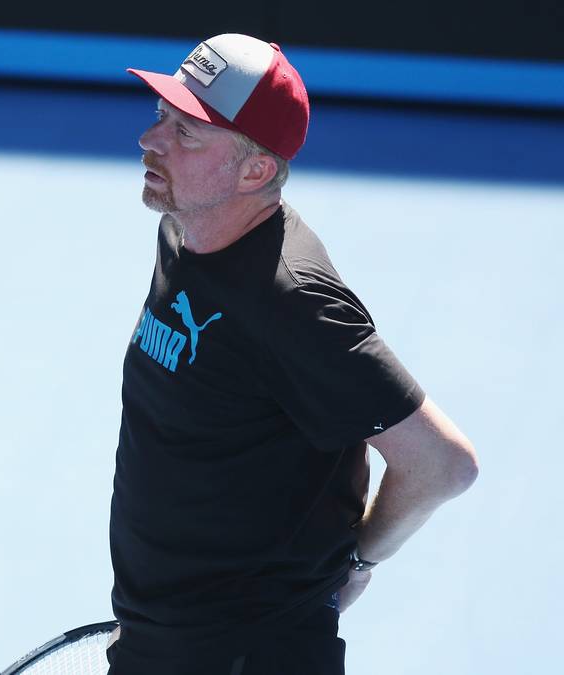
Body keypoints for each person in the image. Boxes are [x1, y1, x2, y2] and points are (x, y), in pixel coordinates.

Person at [105, 34, 479, 675]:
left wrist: (358, 562)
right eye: (162, 115)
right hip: (167, 634)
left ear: (254, 171)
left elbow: (444, 463)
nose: (152, 139)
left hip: (246, 652)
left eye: (187, 132)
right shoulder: (186, 230)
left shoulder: (293, 301)